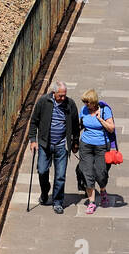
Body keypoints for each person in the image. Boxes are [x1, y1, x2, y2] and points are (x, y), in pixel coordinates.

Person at [27, 83, 79, 213]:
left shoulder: (70, 104)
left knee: (60, 176)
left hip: (62, 146)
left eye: (64, 95)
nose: (63, 98)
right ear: (54, 93)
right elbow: (34, 121)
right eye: (60, 95)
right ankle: (45, 192)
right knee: (42, 170)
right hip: (45, 145)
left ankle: (57, 202)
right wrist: (33, 140)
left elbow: (75, 125)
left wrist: (75, 142)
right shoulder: (43, 101)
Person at [77, 90, 116, 212]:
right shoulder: (83, 110)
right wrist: (73, 139)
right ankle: (92, 202)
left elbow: (111, 128)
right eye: (84, 102)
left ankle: (103, 190)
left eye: (87, 102)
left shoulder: (105, 110)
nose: (85, 105)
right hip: (86, 145)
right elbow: (80, 125)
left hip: (101, 146)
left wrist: (100, 120)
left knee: (101, 172)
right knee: (87, 172)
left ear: (93, 102)